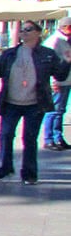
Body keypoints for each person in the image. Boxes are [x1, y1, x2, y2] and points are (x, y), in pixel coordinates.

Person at [0, 21, 71, 184]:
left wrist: (67, 61)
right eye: (22, 30)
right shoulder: (10, 54)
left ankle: (29, 173)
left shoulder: (47, 54)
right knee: (5, 135)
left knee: (30, 138)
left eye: (28, 29)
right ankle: (5, 168)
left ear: (38, 33)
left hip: (35, 103)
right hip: (10, 103)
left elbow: (60, 75)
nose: (24, 32)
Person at [42, 14, 71, 150]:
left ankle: (58, 138)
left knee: (60, 110)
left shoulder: (66, 40)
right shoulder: (55, 41)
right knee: (53, 110)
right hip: (57, 80)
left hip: (66, 79)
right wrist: (52, 80)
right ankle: (48, 139)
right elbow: (48, 64)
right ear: (64, 27)